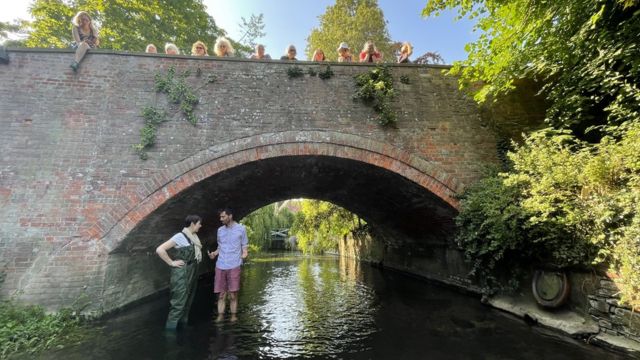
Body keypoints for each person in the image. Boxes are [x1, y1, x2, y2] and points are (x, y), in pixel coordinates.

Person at [156, 215, 204, 330]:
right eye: (199, 223)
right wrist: (171, 262)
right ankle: (170, 334)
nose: (200, 226)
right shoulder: (180, 236)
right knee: (178, 304)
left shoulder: (194, 237)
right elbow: (160, 249)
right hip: (181, 274)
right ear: (192, 224)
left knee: (188, 302)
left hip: (192, 272)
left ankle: (183, 326)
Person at [208, 208, 248, 322]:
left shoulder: (241, 229)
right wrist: (214, 254)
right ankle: (220, 316)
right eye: (220, 217)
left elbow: (244, 246)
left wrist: (245, 254)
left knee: (233, 295)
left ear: (230, 216)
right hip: (220, 265)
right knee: (221, 294)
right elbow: (220, 247)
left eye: (223, 217)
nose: (221, 219)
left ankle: (233, 316)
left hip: (234, 265)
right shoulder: (220, 230)